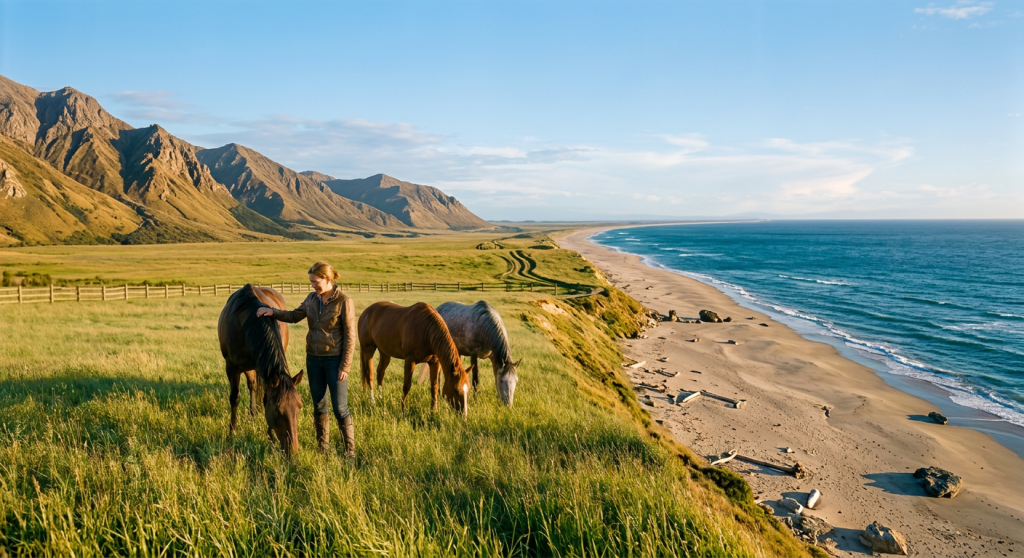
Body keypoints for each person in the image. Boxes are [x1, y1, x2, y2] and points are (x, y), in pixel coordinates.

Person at [257, 261, 356, 457]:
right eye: (311, 282)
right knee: (319, 405)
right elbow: (294, 315)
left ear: (328, 279)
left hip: (334, 361)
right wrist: (273, 312)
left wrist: (345, 366)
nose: (313, 286)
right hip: (313, 360)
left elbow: (351, 336)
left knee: (340, 408)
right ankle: (322, 449)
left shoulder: (344, 302)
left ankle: (350, 452)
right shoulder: (312, 299)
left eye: (315, 282)